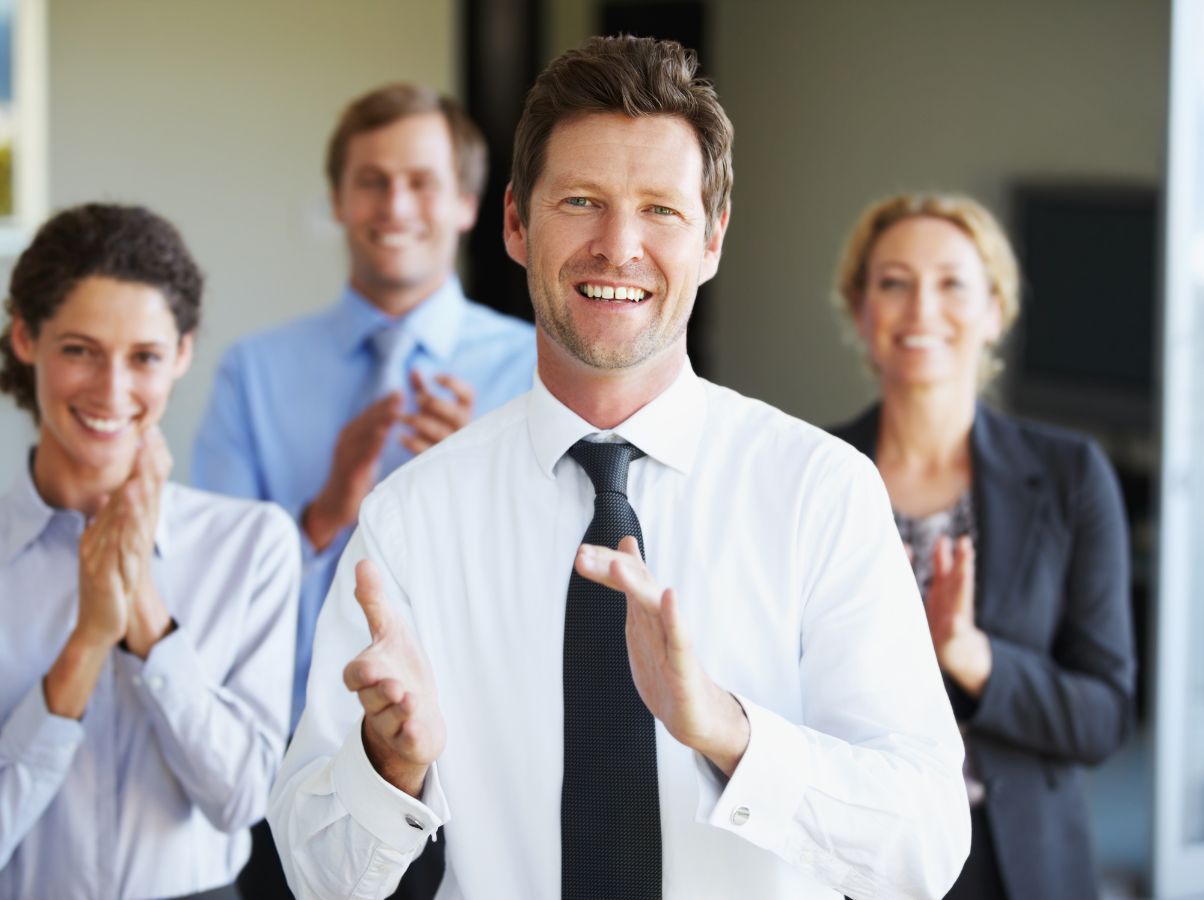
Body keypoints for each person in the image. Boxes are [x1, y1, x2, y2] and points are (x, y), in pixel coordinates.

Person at [269, 36, 969, 900]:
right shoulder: (411, 520)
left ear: (711, 240)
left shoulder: (821, 492)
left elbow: (925, 849)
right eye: (582, 201)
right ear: (517, 225)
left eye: (661, 211)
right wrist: (388, 764)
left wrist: (727, 730)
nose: (618, 245)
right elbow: (315, 874)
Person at [192, 82, 535, 897]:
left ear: (465, 203)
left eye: (421, 181)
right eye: (371, 181)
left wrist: (470, 485)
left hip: (487, 774)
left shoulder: (538, 374)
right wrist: (325, 514)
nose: (395, 204)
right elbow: (211, 601)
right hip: (297, 766)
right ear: (340, 201)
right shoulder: (255, 373)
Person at [0, 203, 298, 899]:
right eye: (79, 350)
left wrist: (142, 606)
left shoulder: (253, 545)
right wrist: (87, 641)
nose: (111, 390)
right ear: (26, 339)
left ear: (181, 354)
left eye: (144, 356)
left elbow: (241, 802)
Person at [828, 192, 1136, 899]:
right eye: (893, 282)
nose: (922, 309)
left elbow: (1104, 716)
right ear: (860, 310)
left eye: (953, 284)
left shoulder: (1071, 476)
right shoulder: (816, 471)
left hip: (1019, 866)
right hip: (853, 862)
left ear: (996, 310)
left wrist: (971, 656)